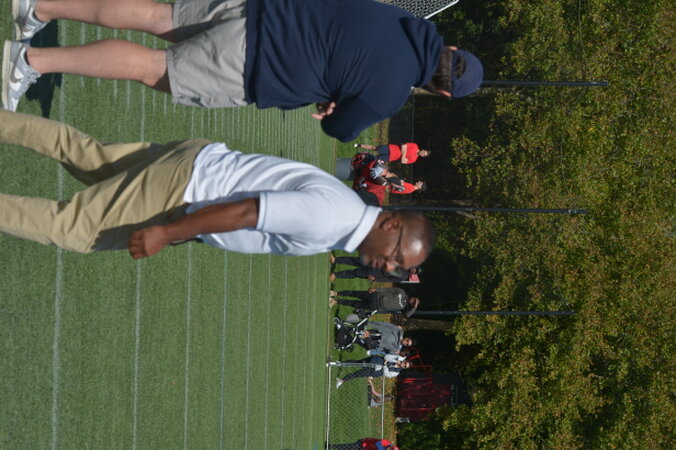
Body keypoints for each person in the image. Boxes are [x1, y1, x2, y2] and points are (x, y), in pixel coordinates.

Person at [3, 0, 483, 141]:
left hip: (259, 10)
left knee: (154, 15)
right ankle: (27, 61)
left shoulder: (401, 18)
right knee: (151, 68)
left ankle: (40, 7)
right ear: (441, 93)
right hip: (256, 64)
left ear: (451, 47)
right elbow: (339, 128)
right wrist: (336, 101)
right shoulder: (390, 94)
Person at [0, 110, 434, 266]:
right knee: (78, 230)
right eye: (396, 257)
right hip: (186, 188)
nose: (389, 267)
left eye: (397, 267)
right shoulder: (333, 217)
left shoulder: (343, 219)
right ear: (391, 225)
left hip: (196, 166)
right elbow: (249, 211)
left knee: (88, 156)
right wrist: (167, 232)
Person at [331, 288, 420, 318]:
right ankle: (336, 293)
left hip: (375, 306)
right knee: (355, 293)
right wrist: (376, 289)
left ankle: (336, 301)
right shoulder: (402, 292)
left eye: (414, 303)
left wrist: (415, 307)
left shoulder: (403, 307)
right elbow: (388, 290)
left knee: (354, 304)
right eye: (414, 300)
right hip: (376, 296)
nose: (413, 301)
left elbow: (407, 315)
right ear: (412, 297)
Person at [334, 354, 410, 388]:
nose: (404, 365)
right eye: (405, 363)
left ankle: (341, 381)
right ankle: (340, 363)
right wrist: (395, 360)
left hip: (373, 371)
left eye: (405, 366)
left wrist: (385, 365)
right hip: (373, 361)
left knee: (356, 374)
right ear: (404, 361)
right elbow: (387, 356)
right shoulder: (397, 358)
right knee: (357, 362)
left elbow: (387, 374)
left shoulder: (396, 372)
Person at [329, 255, 416, 283]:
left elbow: (389, 279)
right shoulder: (404, 261)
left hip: (378, 273)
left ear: (413, 273)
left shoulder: (403, 276)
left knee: (356, 273)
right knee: (357, 260)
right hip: (378, 262)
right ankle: (336, 260)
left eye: (415, 271)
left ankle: (336, 275)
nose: (413, 270)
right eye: (415, 268)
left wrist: (375, 279)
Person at [355, 142, 431, 164]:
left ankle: (360, 158)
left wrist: (404, 152)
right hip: (391, 148)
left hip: (391, 158)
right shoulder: (415, 146)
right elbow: (403, 145)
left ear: (423, 156)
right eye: (424, 152)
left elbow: (403, 161)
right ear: (423, 150)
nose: (423, 154)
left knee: (375, 159)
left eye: (424, 155)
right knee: (375, 148)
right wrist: (404, 155)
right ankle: (358, 145)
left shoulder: (414, 159)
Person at [328, 437, 398, 450]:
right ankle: (332, 446)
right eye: (391, 449)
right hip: (364, 443)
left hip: (365, 449)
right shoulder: (386, 443)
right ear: (391, 447)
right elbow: (377, 443)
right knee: (349, 446)